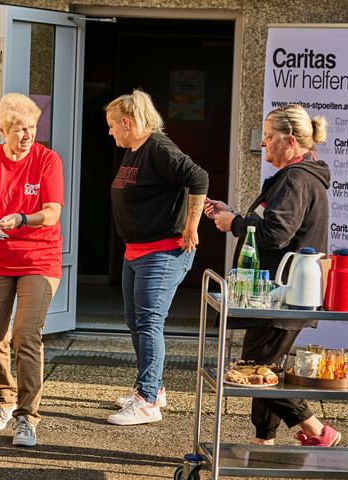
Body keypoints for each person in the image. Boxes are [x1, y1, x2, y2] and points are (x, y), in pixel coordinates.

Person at [204, 104, 335, 446]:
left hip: (284, 295)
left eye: (268, 136)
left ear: (289, 141)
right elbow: (270, 225)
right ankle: (264, 439)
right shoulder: (296, 176)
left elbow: (275, 233)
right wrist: (233, 214)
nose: (263, 143)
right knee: (264, 366)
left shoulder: (296, 179)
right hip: (282, 294)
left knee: (255, 368)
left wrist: (233, 223)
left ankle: (318, 431)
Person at [103, 90, 208, 426]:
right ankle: (153, 388)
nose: (109, 133)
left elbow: (198, 177)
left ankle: (148, 401)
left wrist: (191, 226)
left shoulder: (159, 147)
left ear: (127, 122)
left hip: (162, 252)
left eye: (111, 126)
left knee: (149, 322)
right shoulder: (135, 150)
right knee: (136, 321)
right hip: (136, 251)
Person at [0, 92, 64, 447]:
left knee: (26, 335)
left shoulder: (47, 161)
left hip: (40, 258)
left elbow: (52, 212)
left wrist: (23, 218)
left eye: (33, 127)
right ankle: (2, 401)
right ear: (2, 130)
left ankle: (27, 417)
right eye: (20, 128)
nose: (28, 135)